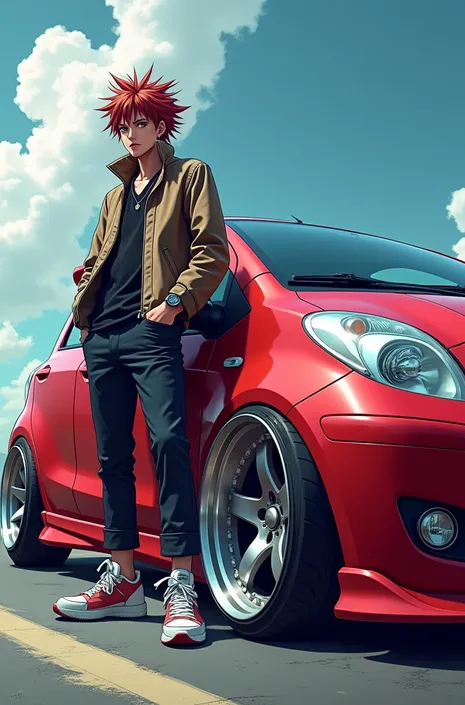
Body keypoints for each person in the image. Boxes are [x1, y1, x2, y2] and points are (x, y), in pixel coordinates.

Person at [53, 66, 230, 646]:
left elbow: (211, 250)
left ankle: (181, 585)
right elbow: (101, 255)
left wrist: (175, 302)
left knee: (169, 442)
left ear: (162, 125)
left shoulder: (190, 176)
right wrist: (86, 297)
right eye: (124, 124)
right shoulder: (112, 196)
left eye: (142, 122)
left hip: (154, 332)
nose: (132, 132)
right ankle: (123, 579)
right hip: (101, 336)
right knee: (112, 457)